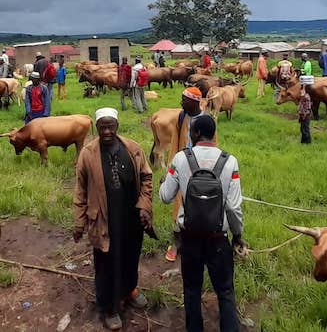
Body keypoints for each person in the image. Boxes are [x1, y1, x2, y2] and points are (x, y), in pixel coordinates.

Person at [159, 114, 247, 332]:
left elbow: (165, 197)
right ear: (214, 134)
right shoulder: (230, 161)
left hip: (190, 239)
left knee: (191, 290)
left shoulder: (180, 159)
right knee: (225, 292)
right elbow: (234, 208)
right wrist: (238, 236)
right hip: (218, 240)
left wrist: (166, 179)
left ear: (195, 133)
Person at [73, 107, 153, 330]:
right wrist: (80, 222)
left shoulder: (133, 148)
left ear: (117, 126)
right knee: (105, 263)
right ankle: (109, 307)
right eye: (102, 127)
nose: (107, 131)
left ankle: (130, 290)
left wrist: (144, 205)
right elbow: (80, 190)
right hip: (103, 220)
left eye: (111, 126)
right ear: (96, 127)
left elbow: (146, 177)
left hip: (131, 217)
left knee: (131, 255)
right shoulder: (88, 154)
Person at [164, 87, 206, 262]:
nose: (181, 102)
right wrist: (170, 168)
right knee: (179, 204)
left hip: (200, 171)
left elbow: (213, 145)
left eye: (184, 100)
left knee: (200, 205)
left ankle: (197, 241)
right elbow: (174, 143)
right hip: (182, 166)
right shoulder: (181, 117)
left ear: (195, 102)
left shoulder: (206, 120)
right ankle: (177, 241)